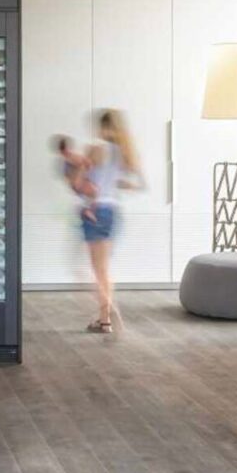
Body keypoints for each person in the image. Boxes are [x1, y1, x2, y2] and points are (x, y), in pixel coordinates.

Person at [79, 109, 142, 334]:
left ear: (104, 126)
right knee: (104, 270)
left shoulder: (96, 149)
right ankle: (104, 317)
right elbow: (130, 184)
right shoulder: (124, 153)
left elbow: (81, 182)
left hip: (95, 211)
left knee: (97, 270)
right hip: (113, 212)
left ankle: (108, 317)